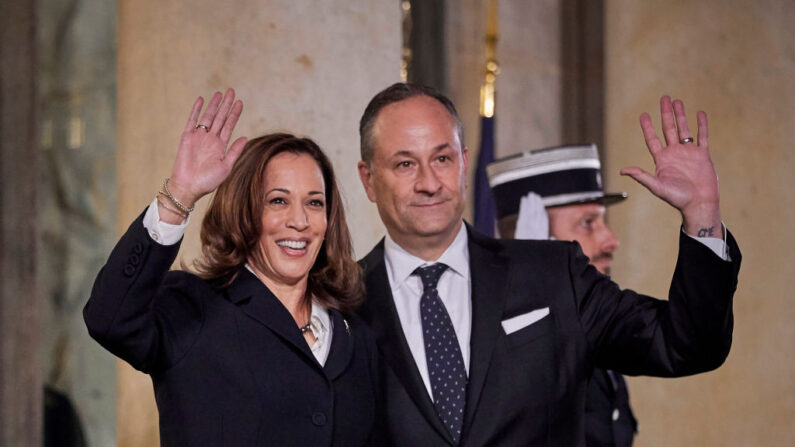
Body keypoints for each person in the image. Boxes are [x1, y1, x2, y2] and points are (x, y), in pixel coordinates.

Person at [355, 83, 740, 446]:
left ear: (463, 162)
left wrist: (702, 213)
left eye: (442, 158)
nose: (429, 182)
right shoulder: (340, 301)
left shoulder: (554, 275)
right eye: (405, 164)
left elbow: (686, 345)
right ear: (369, 180)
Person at [84, 89, 379, 446]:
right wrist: (180, 195)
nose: (299, 220)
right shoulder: (192, 309)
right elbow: (109, 318)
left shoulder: (355, 332)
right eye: (278, 201)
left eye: (314, 203)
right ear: (244, 211)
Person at [487, 143, 637, 446]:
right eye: (587, 223)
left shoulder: (593, 318)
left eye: (602, 221)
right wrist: (531, 285)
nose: (611, 240)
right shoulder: (490, 335)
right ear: (543, 239)